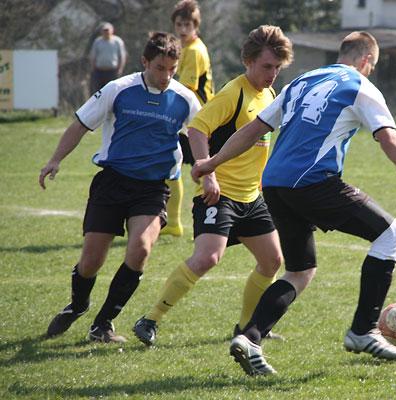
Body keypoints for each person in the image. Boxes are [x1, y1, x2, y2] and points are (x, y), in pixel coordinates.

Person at [192, 31, 396, 375]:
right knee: (392, 234)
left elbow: (252, 130)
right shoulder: (360, 86)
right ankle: (363, 330)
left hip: (274, 185)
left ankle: (250, 337)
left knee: (299, 270)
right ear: (366, 60)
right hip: (313, 182)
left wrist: (212, 162)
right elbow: (390, 140)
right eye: (372, 66)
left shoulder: (300, 82)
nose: (370, 71)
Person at [132, 25, 294, 346]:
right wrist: (209, 174)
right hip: (219, 195)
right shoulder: (234, 93)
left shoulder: (270, 95)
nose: (272, 73)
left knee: (272, 261)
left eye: (277, 67)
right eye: (266, 66)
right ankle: (150, 319)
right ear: (248, 61)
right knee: (207, 258)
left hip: (252, 197)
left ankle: (246, 328)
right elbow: (197, 129)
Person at [40, 32, 200, 343]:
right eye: (159, 68)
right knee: (91, 261)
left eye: (172, 69)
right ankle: (78, 305)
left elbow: (201, 132)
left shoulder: (185, 99)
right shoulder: (119, 89)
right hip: (112, 182)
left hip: (152, 188)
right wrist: (55, 160)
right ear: (144, 62)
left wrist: (207, 168)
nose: (166, 76)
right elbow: (81, 124)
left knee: (140, 249)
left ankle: (103, 323)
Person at [162, 0, 215, 237]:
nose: (182, 29)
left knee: (201, 171)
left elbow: (186, 90)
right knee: (172, 163)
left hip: (197, 121)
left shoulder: (194, 51)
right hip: (191, 120)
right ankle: (174, 223)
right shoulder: (185, 48)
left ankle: (209, 222)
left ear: (196, 26)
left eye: (187, 25)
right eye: (179, 24)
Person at [89, 22, 127, 95]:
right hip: (99, 72)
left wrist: (120, 69)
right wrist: (93, 69)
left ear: (112, 30)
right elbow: (93, 56)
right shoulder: (97, 42)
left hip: (112, 72)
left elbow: (122, 56)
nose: (106, 32)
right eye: (104, 30)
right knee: (99, 93)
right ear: (101, 31)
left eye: (107, 30)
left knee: (112, 92)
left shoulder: (117, 41)